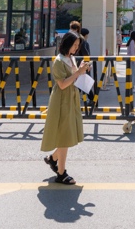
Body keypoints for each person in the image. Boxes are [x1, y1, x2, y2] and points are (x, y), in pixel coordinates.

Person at [41, 32, 91, 185]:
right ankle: (61, 173)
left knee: (68, 134)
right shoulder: (58, 61)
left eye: (77, 45)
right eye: (74, 45)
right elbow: (62, 84)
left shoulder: (71, 58)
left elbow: (73, 77)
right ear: (67, 44)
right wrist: (78, 72)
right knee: (64, 136)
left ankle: (53, 159)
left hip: (71, 98)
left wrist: (81, 70)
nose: (76, 48)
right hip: (62, 100)